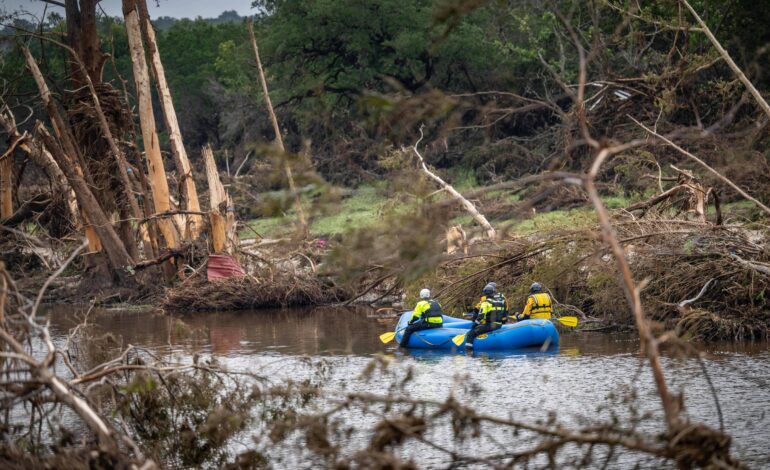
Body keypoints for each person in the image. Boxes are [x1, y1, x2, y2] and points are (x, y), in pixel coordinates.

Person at [466, 283, 506, 349]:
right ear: (493, 292)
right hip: (499, 325)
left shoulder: (485, 302)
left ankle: (468, 352)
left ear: (485, 292)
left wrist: (475, 325)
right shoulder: (500, 302)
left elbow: (481, 317)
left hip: (490, 326)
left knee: (471, 334)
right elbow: (504, 314)